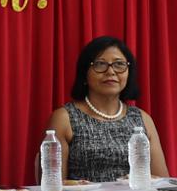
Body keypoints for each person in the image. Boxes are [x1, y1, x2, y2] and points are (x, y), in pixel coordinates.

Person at [44, 36, 169, 182]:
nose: (111, 72)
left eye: (119, 64)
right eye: (100, 64)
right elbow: (52, 184)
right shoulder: (65, 118)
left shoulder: (142, 118)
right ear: (85, 73)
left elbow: (162, 182)